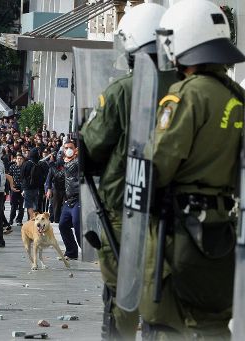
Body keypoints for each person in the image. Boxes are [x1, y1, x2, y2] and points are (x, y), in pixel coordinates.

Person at [140, 0, 245, 338]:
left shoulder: (185, 96)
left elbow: (159, 164)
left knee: (164, 319)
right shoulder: (237, 98)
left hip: (181, 231)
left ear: (180, 41)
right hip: (223, 228)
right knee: (212, 323)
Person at [80, 3, 175, 339]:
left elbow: (92, 145)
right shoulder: (184, 88)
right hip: (174, 212)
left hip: (127, 206)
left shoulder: (122, 90)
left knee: (121, 293)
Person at [21, 147, 46, 220]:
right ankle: (36, 219)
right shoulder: (40, 164)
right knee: (36, 205)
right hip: (37, 188)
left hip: (27, 188)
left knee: (29, 205)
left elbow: (22, 177)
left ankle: (32, 219)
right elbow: (43, 178)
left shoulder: (26, 164)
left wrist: (23, 189)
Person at [8, 153, 25, 226]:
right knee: (13, 205)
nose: (19, 160)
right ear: (16, 159)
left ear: (23, 160)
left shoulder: (25, 167)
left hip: (22, 188)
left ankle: (19, 220)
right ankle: (11, 219)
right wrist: (11, 186)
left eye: (21, 159)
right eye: (18, 158)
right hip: (14, 187)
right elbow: (9, 177)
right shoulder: (12, 167)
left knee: (22, 205)